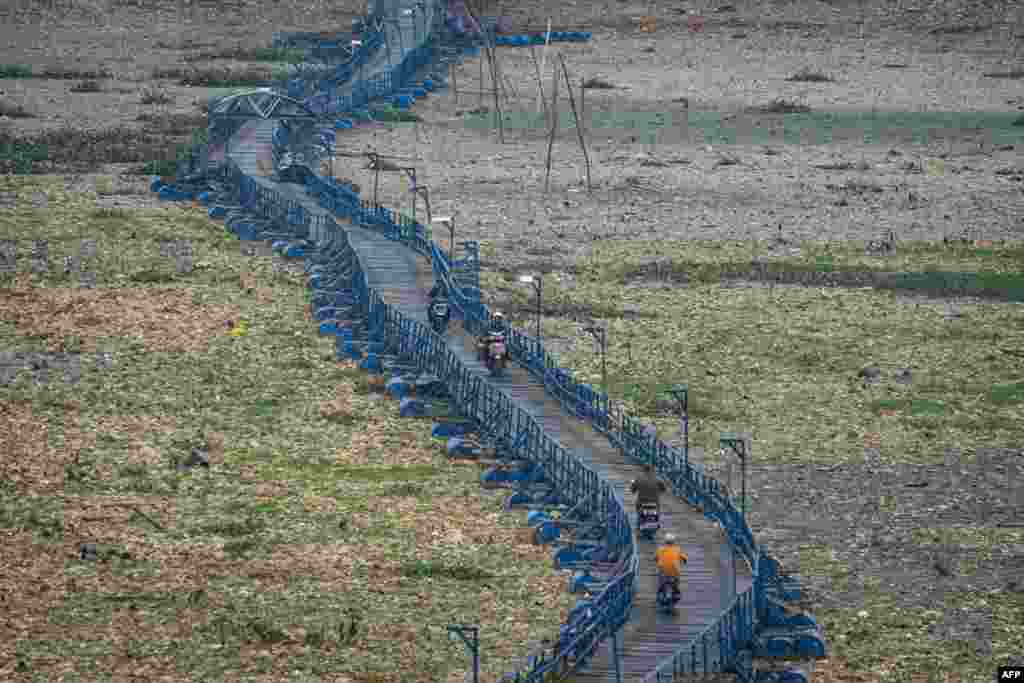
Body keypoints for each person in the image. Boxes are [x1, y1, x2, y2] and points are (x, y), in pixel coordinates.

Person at [655, 533, 687, 601]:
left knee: (661, 582)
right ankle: (676, 592)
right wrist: (684, 561)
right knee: (676, 582)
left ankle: (660, 593)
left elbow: (655, 558)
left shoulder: (660, 549)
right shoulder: (677, 549)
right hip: (675, 572)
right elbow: (684, 558)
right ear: (674, 542)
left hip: (663, 572)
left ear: (665, 541)